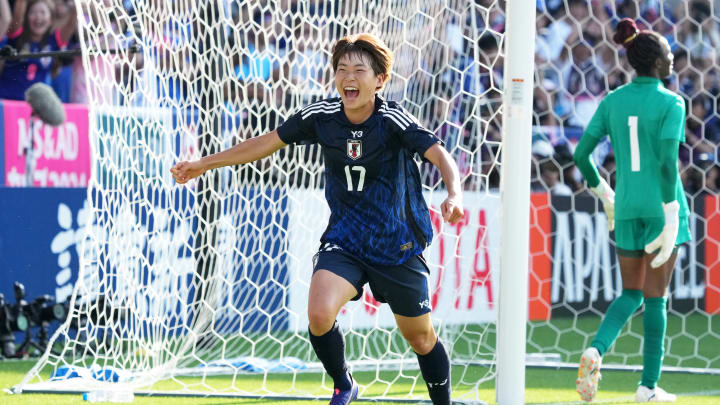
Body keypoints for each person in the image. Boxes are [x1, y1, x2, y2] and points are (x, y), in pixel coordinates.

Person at [171, 33, 464, 405]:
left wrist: (454, 193)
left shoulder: (392, 120)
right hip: (346, 239)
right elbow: (266, 142)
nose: (348, 77)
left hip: (397, 243)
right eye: (342, 69)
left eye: (359, 70)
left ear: (380, 80)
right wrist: (203, 164)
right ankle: (344, 384)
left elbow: (440, 156)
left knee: (421, 338)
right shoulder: (322, 116)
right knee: (320, 313)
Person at [572, 18, 691, 403]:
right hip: (661, 210)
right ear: (657, 63)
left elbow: (580, 155)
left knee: (630, 292)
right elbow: (668, 164)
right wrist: (672, 213)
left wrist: (604, 193)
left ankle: (595, 350)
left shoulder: (613, 101)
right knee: (656, 298)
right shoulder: (673, 102)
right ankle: (648, 388)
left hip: (624, 208)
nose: (673, 58)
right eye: (669, 54)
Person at [0, 0, 76, 100]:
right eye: (33, 12)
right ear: (26, 17)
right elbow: (21, 3)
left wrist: (79, 5)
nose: (38, 17)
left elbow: (72, 20)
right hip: (6, 101)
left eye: (43, 12)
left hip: (35, 106)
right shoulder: (17, 36)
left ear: (51, 20)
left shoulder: (54, 41)